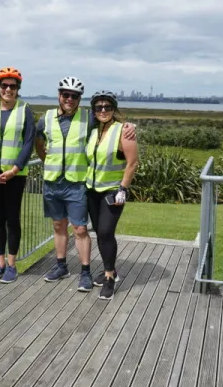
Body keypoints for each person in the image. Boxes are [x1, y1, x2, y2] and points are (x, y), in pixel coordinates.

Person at [36, 77, 137, 292]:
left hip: (78, 183)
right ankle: (61, 266)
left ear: (80, 99)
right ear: (59, 95)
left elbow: (113, 125)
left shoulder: (88, 118)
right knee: (58, 225)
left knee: (81, 228)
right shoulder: (47, 118)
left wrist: (129, 125)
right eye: (66, 94)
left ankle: (86, 272)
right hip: (55, 182)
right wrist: (47, 160)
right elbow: (37, 141)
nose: (69, 99)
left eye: (74, 96)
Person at [0, 67, 35, 283]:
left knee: (12, 219)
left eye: (12, 86)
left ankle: (11, 265)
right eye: (4, 86)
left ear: (18, 89)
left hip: (15, 175)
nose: (8, 89)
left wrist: (14, 170)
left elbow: (28, 143)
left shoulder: (24, 110)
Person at [85, 90, 139, 300]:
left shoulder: (123, 131)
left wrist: (123, 189)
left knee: (106, 232)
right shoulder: (94, 130)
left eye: (107, 107)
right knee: (99, 232)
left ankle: (109, 278)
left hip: (112, 191)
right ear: (94, 111)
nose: (103, 110)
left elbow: (132, 163)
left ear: (114, 109)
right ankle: (111, 269)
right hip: (92, 189)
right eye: (99, 107)